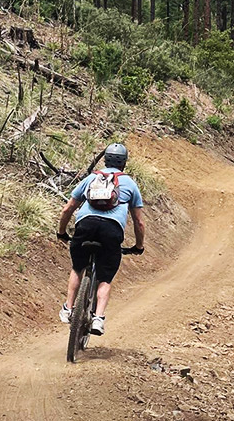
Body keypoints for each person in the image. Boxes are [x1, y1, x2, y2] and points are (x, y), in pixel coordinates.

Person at [56, 143, 145, 336]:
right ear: (124, 163)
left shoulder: (91, 178)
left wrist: (61, 232)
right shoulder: (129, 183)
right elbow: (139, 223)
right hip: (111, 231)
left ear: (105, 159)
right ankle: (98, 319)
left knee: (78, 267)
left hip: (85, 226)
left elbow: (67, 209)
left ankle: (68, 308)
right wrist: (138, 246)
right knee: (105, 278)